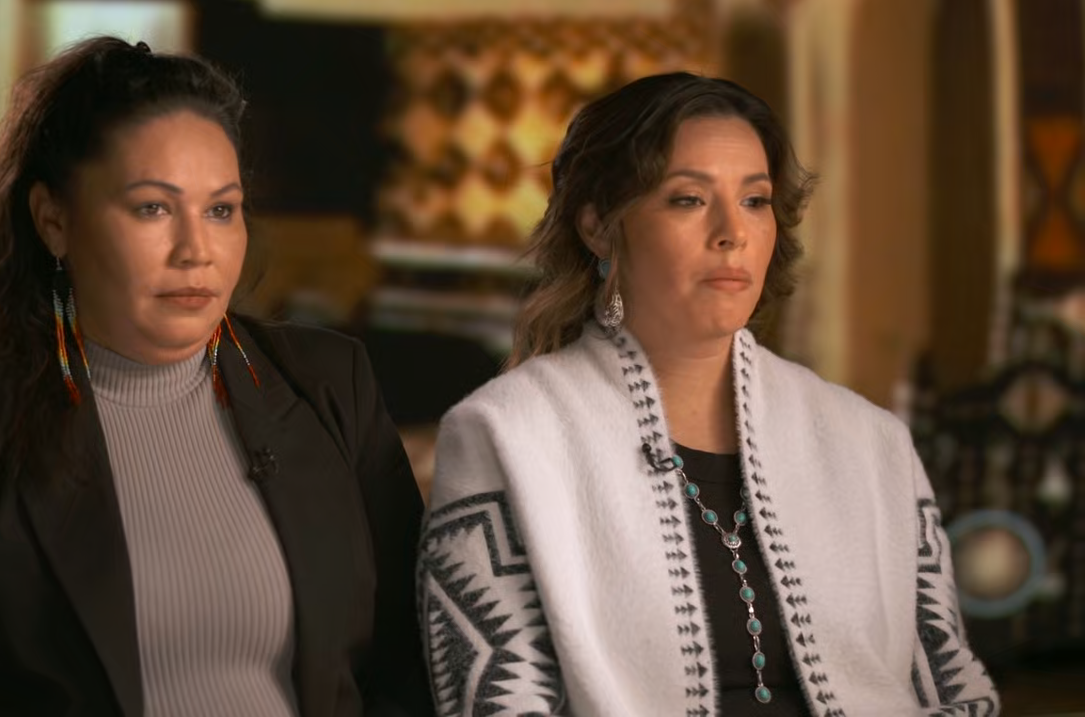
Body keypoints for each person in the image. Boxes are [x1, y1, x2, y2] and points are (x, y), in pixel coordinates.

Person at [0, 37, 432, 717]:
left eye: (221, 210)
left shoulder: (331, 382)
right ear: (53, 220)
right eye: (152, 208)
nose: (196, 250)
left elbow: (414, 661)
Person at [417, 72, 999, 716]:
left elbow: (954, 687)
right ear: (599, 228)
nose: (732, 232)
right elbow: (494, 704)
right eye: (688, 199)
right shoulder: (505, 434)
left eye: (755, 200)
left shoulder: (871, 442)